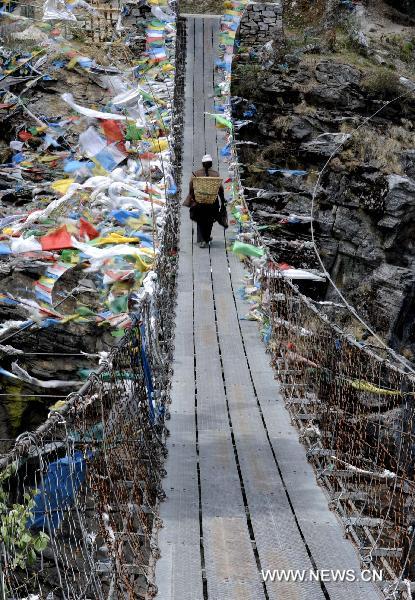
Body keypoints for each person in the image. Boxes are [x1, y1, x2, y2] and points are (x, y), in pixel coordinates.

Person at [185, 154, 226, 248]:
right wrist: (223, 200)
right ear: (211, 164)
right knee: (210, 220)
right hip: (212, 203)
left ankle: (202, 239)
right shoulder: (216, 174)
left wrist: (192, 197)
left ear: (202, 164)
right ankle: (206, 237)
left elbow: (191, 186)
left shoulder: (196, 174)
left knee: (200, 220)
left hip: (199, 202)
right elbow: (220, 189)